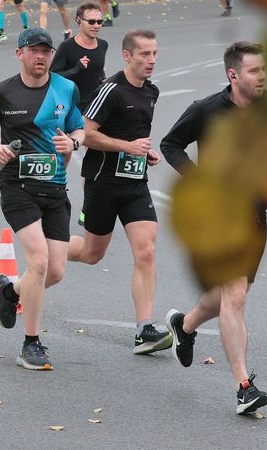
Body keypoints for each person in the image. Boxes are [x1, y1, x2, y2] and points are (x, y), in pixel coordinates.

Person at [160, 41, 267, 415]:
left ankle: (185, 325)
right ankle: (244, 386)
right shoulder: (206, 110)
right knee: (236, 296)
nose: (262, 77)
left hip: (256, 214)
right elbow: (171, 144)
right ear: (233, 75)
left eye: (264, 70)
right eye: (254, 71)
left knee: (230, 295)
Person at [0, 28, 85, 371]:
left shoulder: (66, 88)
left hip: (54, 187)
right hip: (17, 186)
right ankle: (31, 343)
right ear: (19, 54)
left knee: (54, 271)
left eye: (46, 51)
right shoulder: (3, 92)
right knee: (38, 261)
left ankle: (10, 291)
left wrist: (74, 142)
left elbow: (79, 127)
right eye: (34, 51)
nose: (41, 57)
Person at [67, 30, 171, 355]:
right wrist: (127, 146)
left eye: (154, 53)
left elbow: (135, 136)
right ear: (127, 56)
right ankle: (47, 251)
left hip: (135, 184)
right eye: (144, 54)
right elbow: (84, 133)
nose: (151, 60)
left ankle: (144, 331)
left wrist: (146, 153)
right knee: (91, 254)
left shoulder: (152, 91)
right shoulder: (110, 90)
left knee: (147, 251)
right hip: (103, 183)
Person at [49, 1, 108, 112]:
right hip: (71, 106)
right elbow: (53, 77)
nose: (96, 26)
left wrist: (103, 79)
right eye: (91, 22)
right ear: (78, 20)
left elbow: (97, 69)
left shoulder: (103, 45)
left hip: (94, 105)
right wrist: (76, 69)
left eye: (99, 22)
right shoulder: (67, 46)